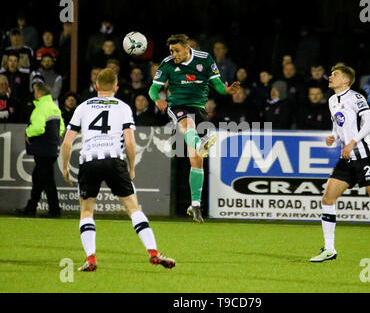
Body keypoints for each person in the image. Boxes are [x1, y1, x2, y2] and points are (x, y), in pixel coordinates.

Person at [61, 68, 175, 271]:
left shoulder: (83, 107)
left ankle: (91, 259)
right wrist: (131, 167)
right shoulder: (123, 107)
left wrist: (64, 167)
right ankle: (153, 252)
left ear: (96, 86)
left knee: (87, 211)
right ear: (116, 87)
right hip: (114, 160)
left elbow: (68, 141)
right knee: (133, 208)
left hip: (90, 161)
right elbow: (130, 141)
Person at [310, 65, 370, 265]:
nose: (330, 77)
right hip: (347, 159)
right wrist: (334, 137)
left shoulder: (355, 98)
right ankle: (329, 249)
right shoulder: (331, 100)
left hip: (365, 157)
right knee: (328, 199)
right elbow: (338, 124)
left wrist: (352, 142)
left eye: (334, 74)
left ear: (346, 80)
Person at [149, 34, 240, 223]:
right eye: (171, 51)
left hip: (199, 107)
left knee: (196, 159)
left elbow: (217, 85)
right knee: (187, 126)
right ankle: (200, 144)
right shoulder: (167, 64)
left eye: (177, 51)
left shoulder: (205, 59)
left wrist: (227, 91)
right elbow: (152, 89)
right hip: (177, 106)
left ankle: (195, 204)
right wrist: (158, 99)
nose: (173, 54)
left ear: (187, 48)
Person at [21, 82, 65, 218]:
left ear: (39, 93)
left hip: (42, 149)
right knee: (39, 178)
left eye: (34, 91)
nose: (34, 94)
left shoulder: (41, 108)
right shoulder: (54, 107)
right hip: (51, 149)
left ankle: (54, 211)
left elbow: (38, 127)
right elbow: (61, 128)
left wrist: (28, 133)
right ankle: (31, 208)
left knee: (47, 181)